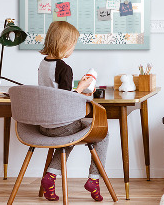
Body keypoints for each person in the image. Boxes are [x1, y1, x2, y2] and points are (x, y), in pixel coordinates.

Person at [38, 21, 108, 202]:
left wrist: (77, 88)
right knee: (103, 133)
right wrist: (83, 87)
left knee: (68, 136)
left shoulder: (43, 64)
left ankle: (50, 177)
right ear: (64, 44)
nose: (73, 49)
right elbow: (66, 100)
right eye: (73, 45)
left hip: (44, 125)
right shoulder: (64, 68)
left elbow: (55, 93)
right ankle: (94, 179)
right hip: (61, 125)